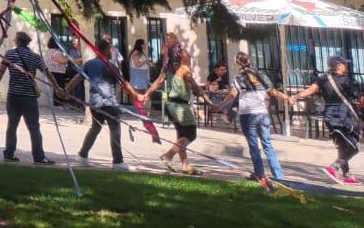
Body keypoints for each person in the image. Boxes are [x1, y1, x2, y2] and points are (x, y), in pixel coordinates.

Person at [216, 51, 288, 191]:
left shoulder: (238, 77)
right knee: (267, 144)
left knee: (254, 146)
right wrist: (287, 98)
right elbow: (273, 91)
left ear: (238, 63)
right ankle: (278, 175)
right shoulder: (261, 75)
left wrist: (219, 106)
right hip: (262, 114)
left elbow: (232, 95)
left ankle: (260, 174)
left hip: (247, 115)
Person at [287, 55, 363, 185]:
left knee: (342, 145)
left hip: (329, 115)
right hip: (344, 115)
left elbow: (311, 90)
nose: (347, 66)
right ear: (339, 66)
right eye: (345, 64)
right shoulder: (348, 81)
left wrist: (296, 96)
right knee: (354, 146)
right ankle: (333, 167)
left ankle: (347, 175)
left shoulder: (323, 79)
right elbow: (361, 99)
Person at [73, 36, 143, 170]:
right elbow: (124, 83)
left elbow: (77, 78)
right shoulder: (111, 66)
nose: (112, 52)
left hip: (95, 103)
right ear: (104, 50)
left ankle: (82, 154)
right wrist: (136, 95)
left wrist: (65, 90)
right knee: (115, 130)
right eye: (110, 50)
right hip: (109, 103)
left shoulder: (89, 64)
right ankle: (118, 162)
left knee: (95, 128)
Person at [0, 31, 52, 164]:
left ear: (16, 41)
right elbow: (47, 72)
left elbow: (1, 70)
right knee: (34, 127)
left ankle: (9, 153)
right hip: (29, 96)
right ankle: (39, 156)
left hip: (13, 96)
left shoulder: (10, 54)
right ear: (28, 42)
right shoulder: (35, 57)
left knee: (12, 125)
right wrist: (57, 87)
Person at [141, 53, 207, 174]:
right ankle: (168, 155)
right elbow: (195, 86)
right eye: (187, 55)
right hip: (181, 106)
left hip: (170, 106)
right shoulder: (184, 69)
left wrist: (147, 94)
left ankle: (185, 165)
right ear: (181, 58)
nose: (189, 57)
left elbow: (157, 82)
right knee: (191, 134)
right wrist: (207, 99)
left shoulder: (168, 69)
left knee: (181, 136)